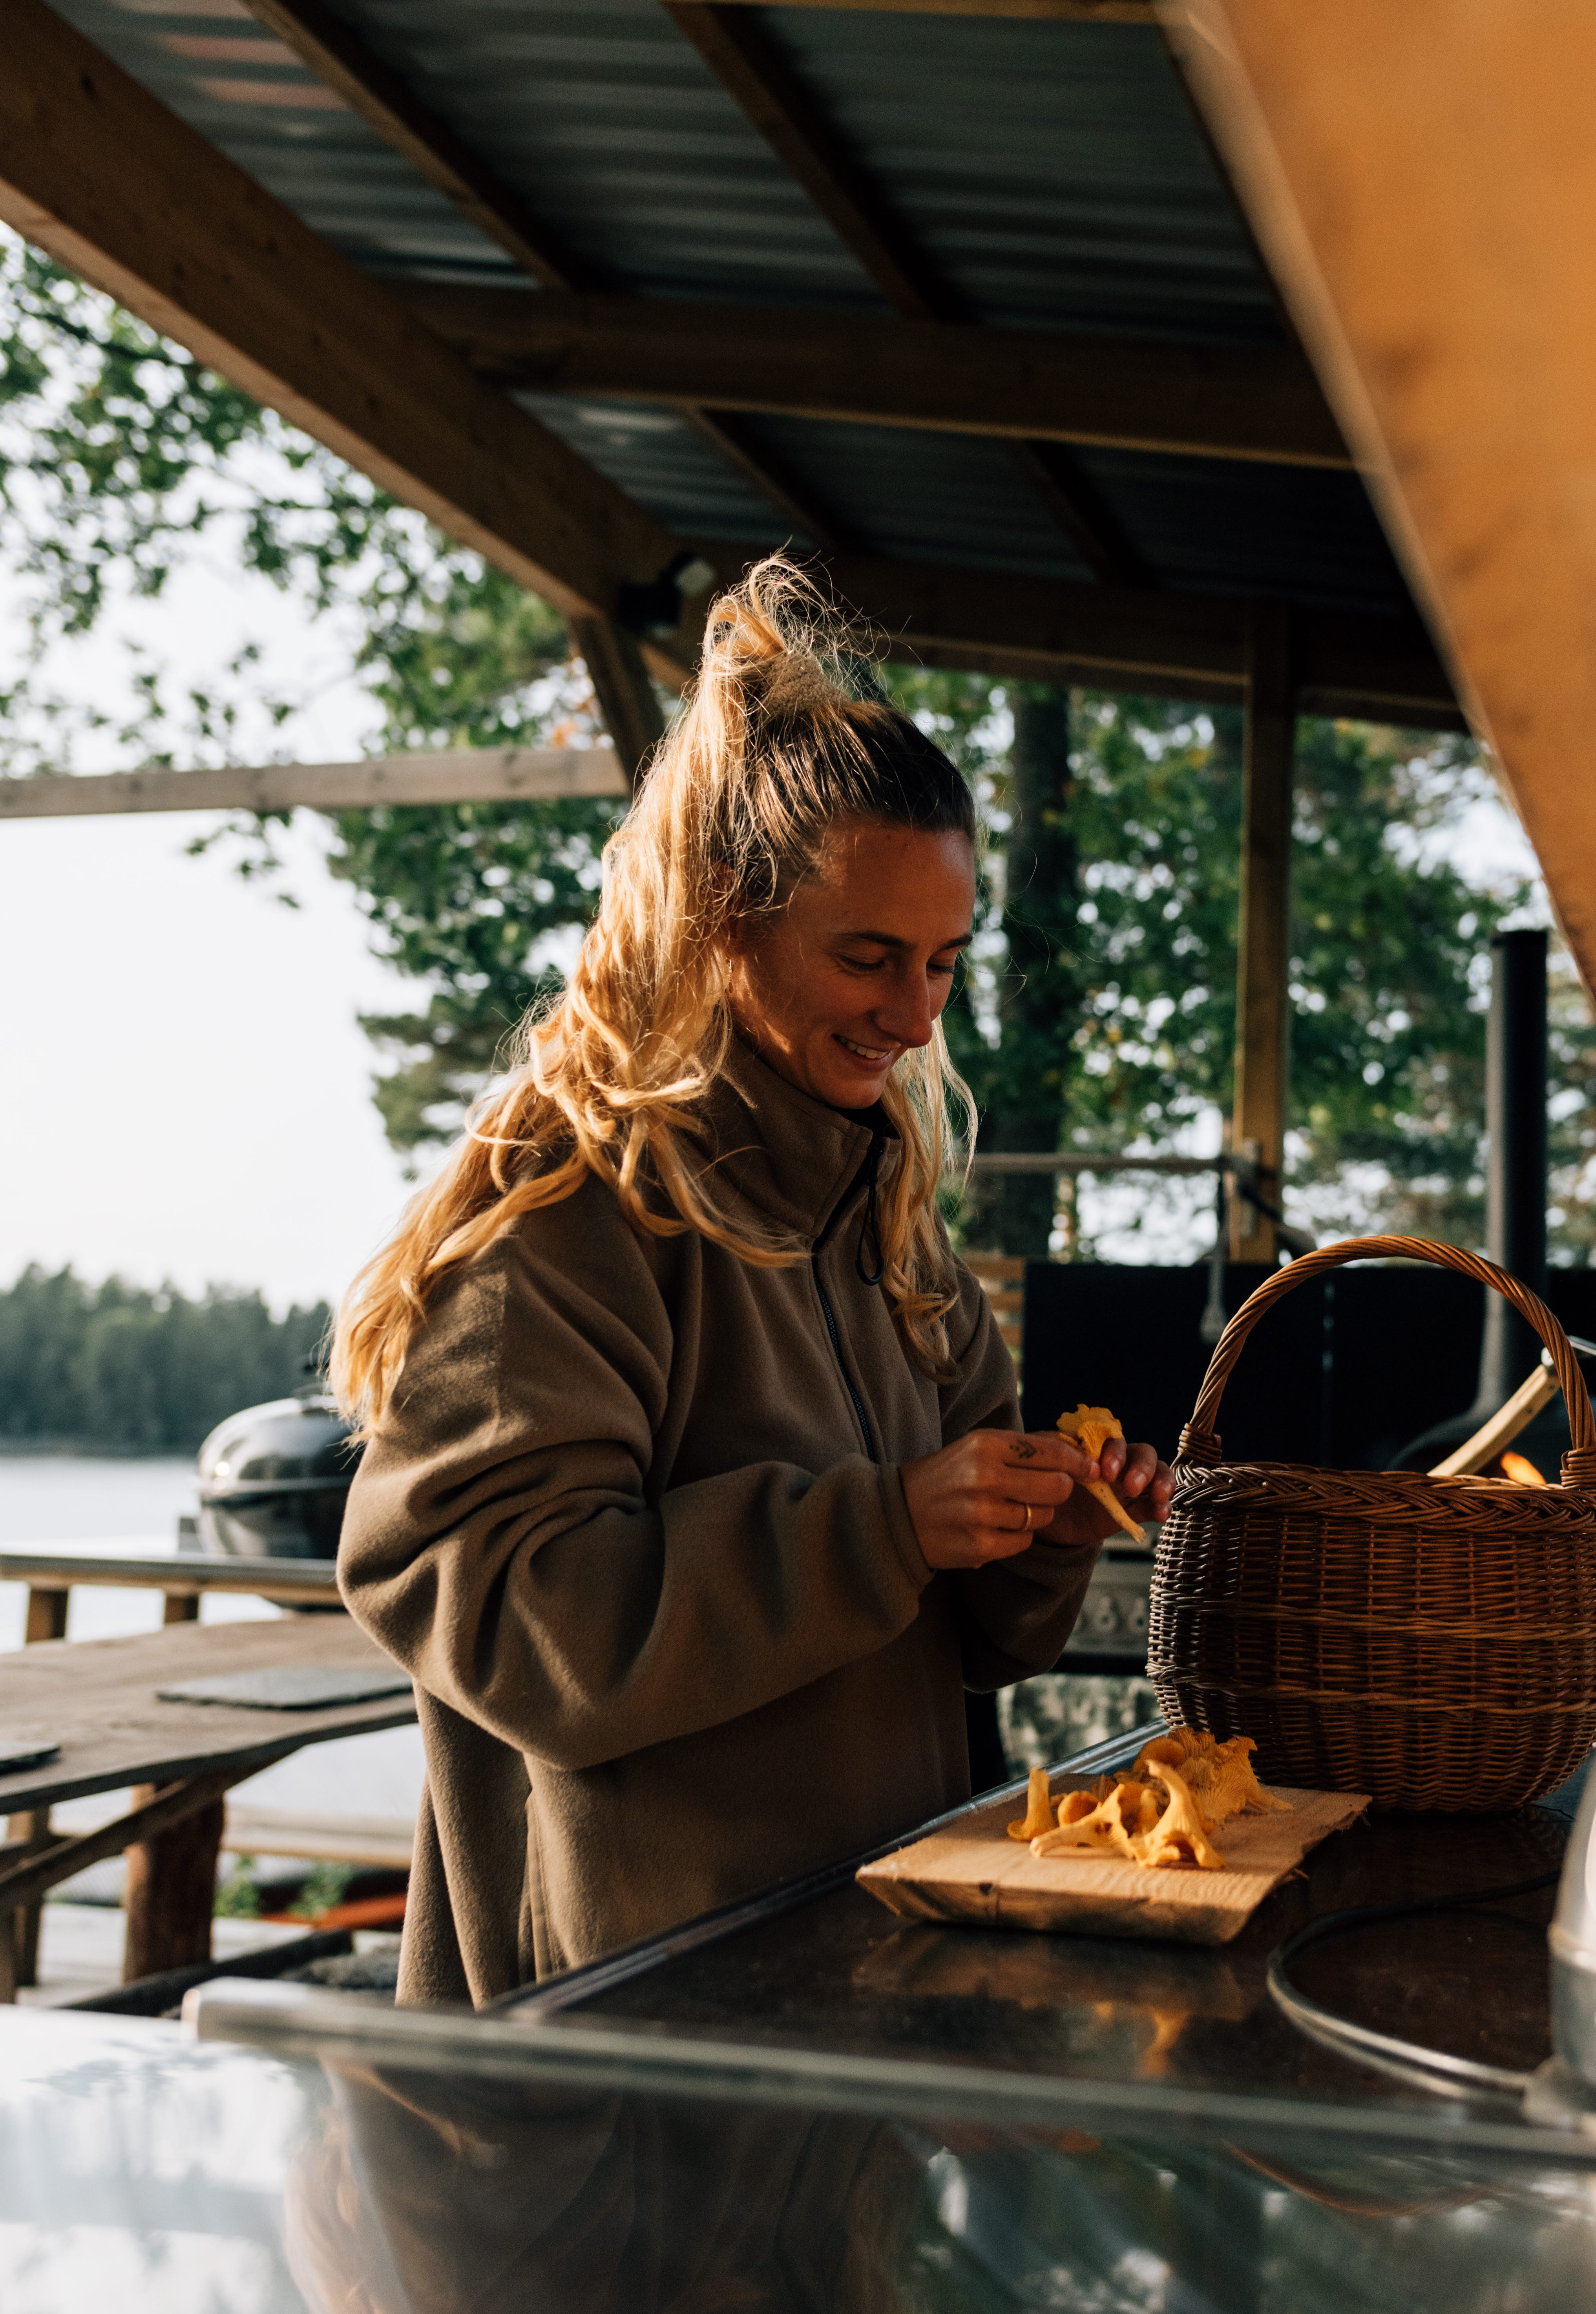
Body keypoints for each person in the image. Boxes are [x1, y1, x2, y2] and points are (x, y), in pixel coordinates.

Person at [331, 560, 1173, 2008]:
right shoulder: (568, 1211)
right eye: (869, 957)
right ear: (726, 921)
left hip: (857, 2025)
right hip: (618, 2072)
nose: (914, 1018)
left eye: (944, 966)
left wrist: (1044, 1521)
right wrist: (888, 1523)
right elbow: (500, 1612)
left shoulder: (895, 1233)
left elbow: (978, 1647)